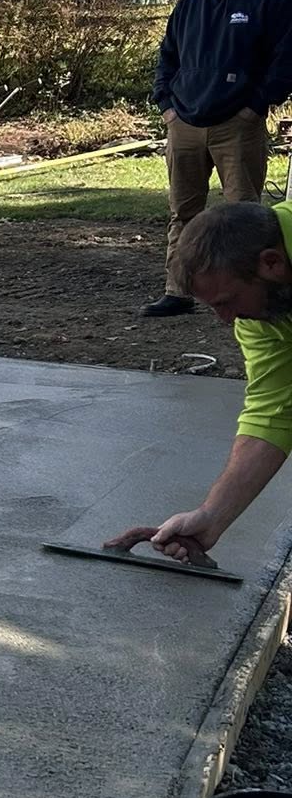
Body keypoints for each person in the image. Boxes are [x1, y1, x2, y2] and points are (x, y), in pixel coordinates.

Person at [109, 200, 292, 563]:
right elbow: (274, 412)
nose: (226, 319)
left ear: (271, 263)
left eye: (227, 301)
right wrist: (212, 515)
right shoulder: (258, 314)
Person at [143, 0, 292, 318]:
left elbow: (286, 60)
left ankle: (251, 295)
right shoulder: (189, 5)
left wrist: (255, 107)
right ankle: (178, 290)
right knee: (183, 212)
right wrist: (167, 108)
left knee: (244, 216)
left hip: (237, 125)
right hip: (185, 123)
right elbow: (167, 59)